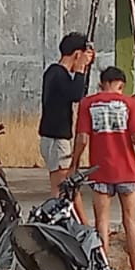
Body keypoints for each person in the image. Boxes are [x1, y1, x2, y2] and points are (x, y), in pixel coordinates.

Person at [72, 66, 135, 270]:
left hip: (99, 171)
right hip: (127, 171)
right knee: (129, 222)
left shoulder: (87, 104)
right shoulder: (131, 104)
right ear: (121, 85)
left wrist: (73, 165)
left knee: (102, 222)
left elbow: (82, 139)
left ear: (102, 82)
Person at [39, 32, 94, 222]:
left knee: (65, 187)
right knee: (63, 188)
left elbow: (78, 92)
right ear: (77, 54)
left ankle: (78, 224)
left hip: (55, 137)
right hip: (56, 138)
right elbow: (75, 94)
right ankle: (67, 225)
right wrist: (80, 69)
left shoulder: (55, 73)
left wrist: (82, 71)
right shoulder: (57, 73)